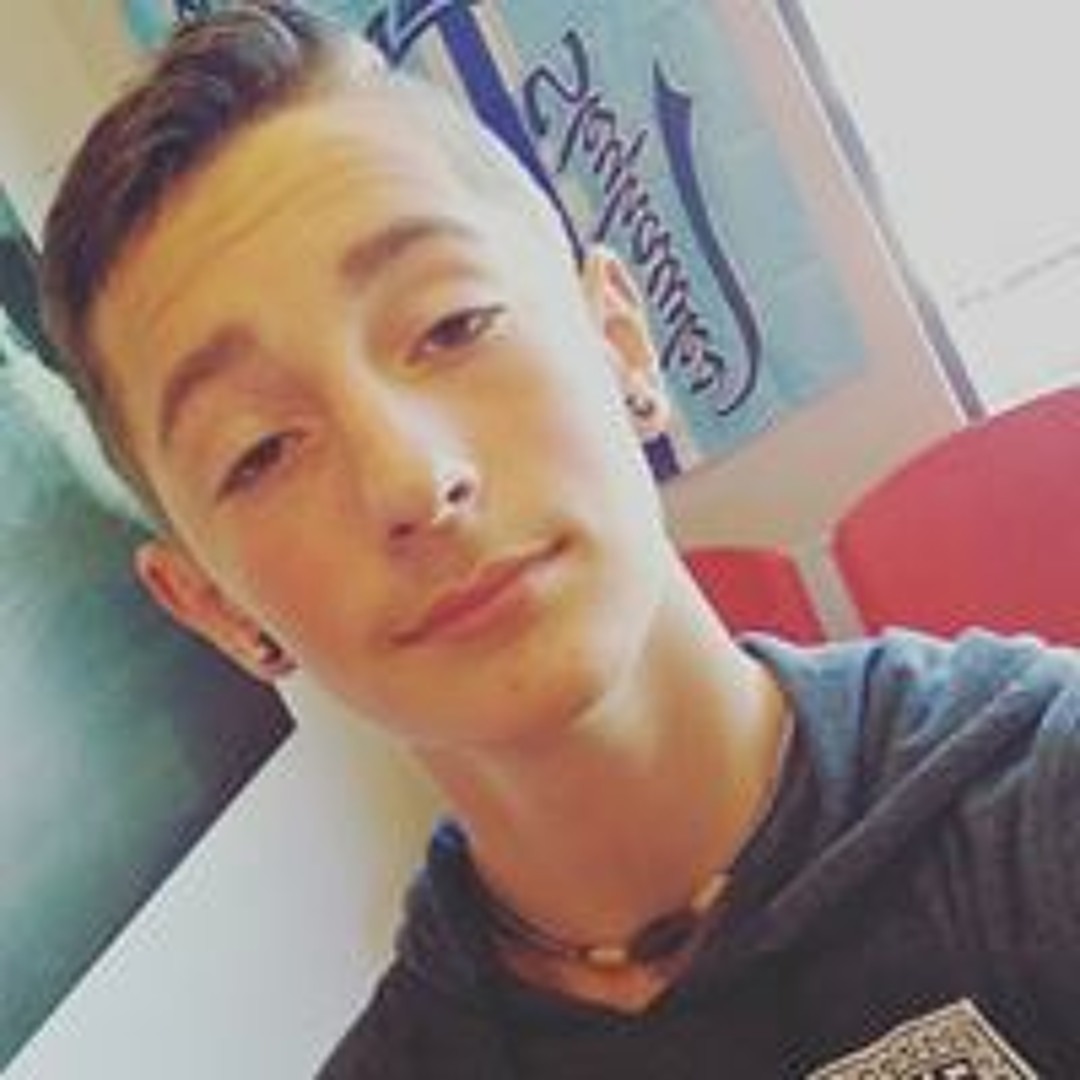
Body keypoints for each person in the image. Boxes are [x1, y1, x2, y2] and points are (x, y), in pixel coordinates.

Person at [39, 3, 1080, 1077]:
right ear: (216, 608)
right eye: (259, 451)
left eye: (452, 325)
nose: (411, 480)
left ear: (620, 340)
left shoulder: (1038, 808)